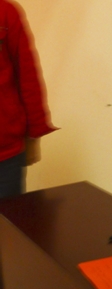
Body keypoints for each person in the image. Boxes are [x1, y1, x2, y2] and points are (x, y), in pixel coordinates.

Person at [0, 0, 56, 198]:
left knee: (10, 218)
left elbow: (27, 76)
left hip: (6, 155)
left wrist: (34, 134)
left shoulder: (6, 12)